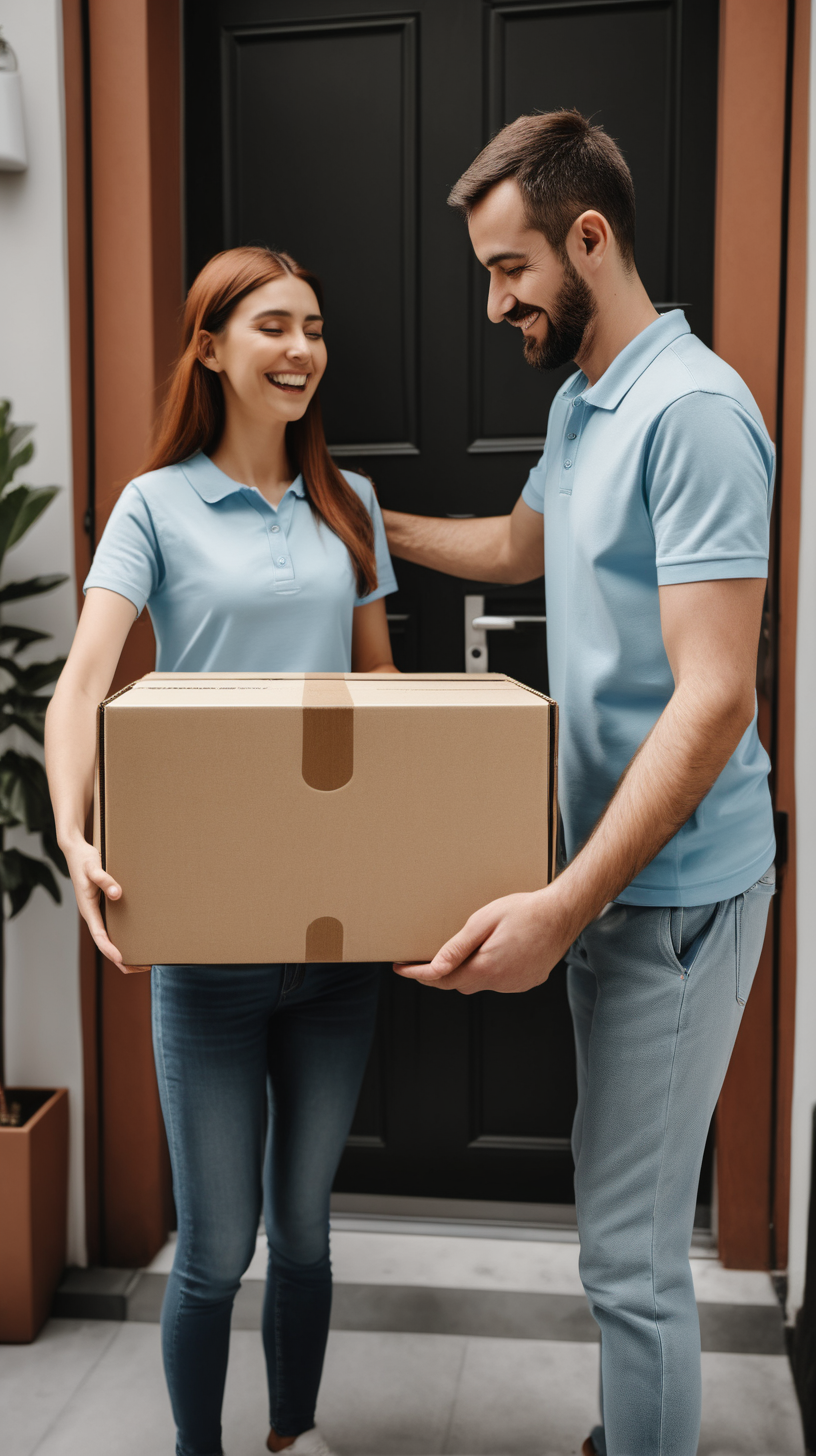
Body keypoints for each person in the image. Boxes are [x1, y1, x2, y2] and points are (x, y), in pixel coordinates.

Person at [383, 110, 776, 1456]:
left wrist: (561, 905)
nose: (495, 302)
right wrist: (358, 520)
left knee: (629, 1258)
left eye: (509, 269)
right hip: (610, 882)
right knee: (624, 1239)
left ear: (589, 239)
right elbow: (514, 545)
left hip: (672, 900)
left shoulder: (697, 415)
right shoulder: (583, 400)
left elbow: (716, 695)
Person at [45, 246, 398, 1456]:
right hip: (208, 940)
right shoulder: (156, 505)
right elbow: (83, 685)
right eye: (273, 327)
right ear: (211, 347)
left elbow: (385, 700)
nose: (302, 350)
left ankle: (292, 1437)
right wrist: (72, 832)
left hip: (337, 943)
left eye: (314, 327)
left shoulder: (343, 504)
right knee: (215, 1247)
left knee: (303, 1228)